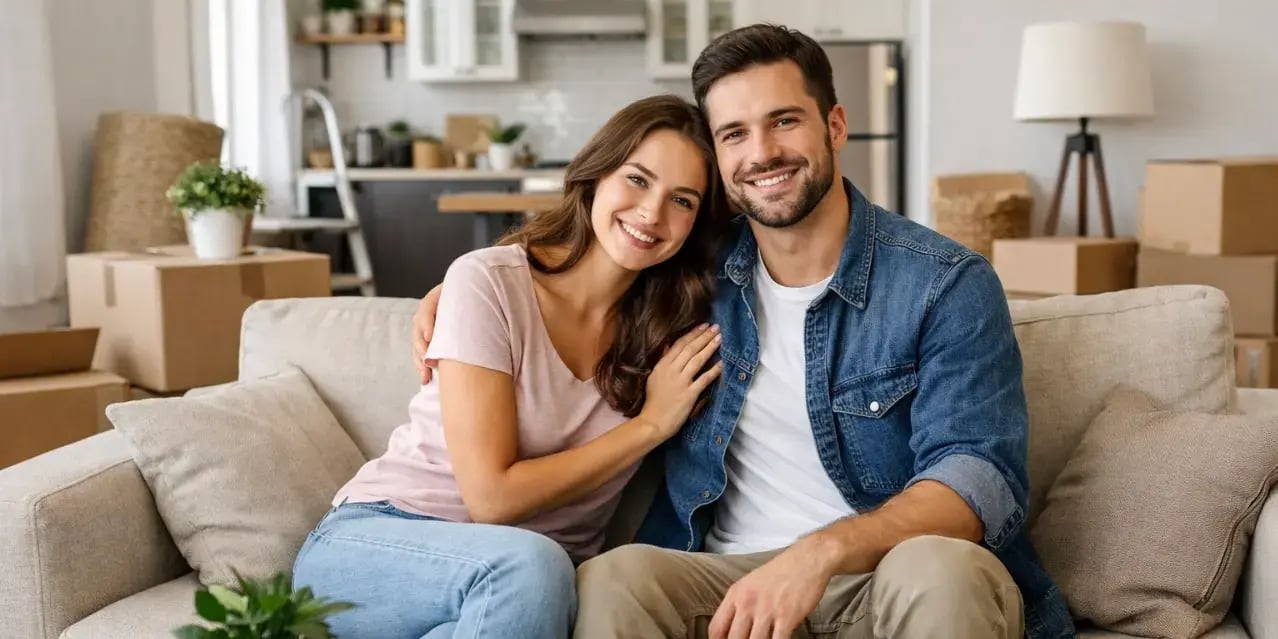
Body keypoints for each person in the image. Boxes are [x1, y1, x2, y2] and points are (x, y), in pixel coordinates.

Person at [413, 25, 1075, 639]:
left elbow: (977, 479)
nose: (761, 153)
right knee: (615, 578)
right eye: (733, 134)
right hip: (726, 580)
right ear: (719, 160)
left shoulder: (945, 284)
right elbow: (581, 265)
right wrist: (468, 286)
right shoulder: (691, 272)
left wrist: (822, 551)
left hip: (888, 574)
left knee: (943, 567)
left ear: (835, 125)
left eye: (784, 121)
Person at [292, 94, 728, 639]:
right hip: (380, 546)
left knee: (535, 577)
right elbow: (492, 498)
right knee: (532, 565)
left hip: (519, 600)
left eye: (682, 201)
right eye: (637, 180)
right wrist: (649, 426)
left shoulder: (676, 330)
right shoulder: (491, 284)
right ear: (595, 175)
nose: (652, 213)